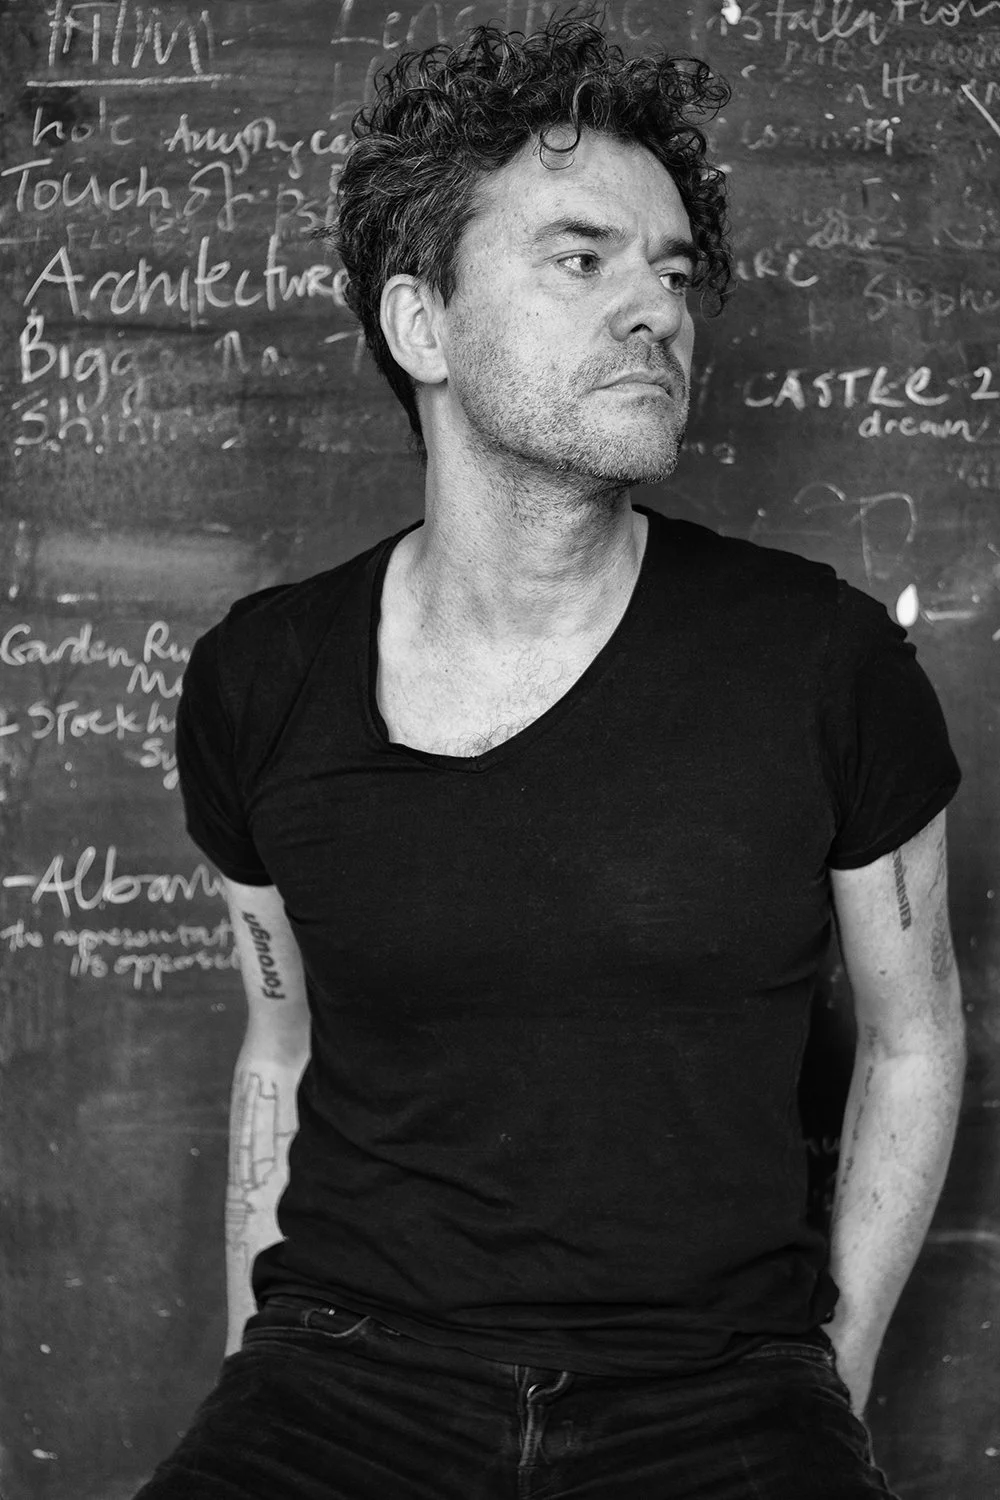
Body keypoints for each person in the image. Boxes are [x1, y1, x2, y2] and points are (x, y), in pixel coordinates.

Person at [138, 14, 966, 1499]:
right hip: (346, 1367)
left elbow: (914, 1038)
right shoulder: (260, 680)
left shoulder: (825, 663)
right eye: (581, 259)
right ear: (423, 327)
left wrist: (823, 1386)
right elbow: (282, 1042)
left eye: (673, 272)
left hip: (717, 1385)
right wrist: (258, 1382)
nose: (657, 311)